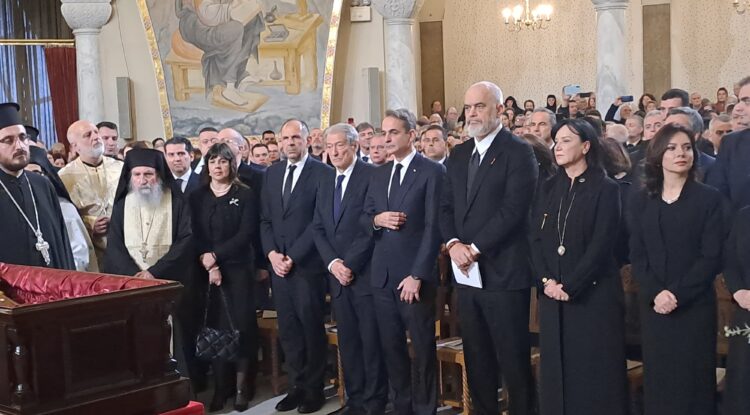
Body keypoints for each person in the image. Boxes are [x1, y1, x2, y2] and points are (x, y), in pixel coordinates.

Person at [440, 82, 537, 415]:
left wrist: (475, 247)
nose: (472, 114)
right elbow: (445, 207)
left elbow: (514, 210)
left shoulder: (518, 151)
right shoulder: (459, 154)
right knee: (477, 357)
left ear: (499, 109)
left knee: (512, 360)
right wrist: (454, 244)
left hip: (504, 271)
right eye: (468, 107)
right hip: (466, 274)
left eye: (479, 106)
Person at [530, 118, 628, 415]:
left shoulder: (606, 188)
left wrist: (570, 286)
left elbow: (602, 244)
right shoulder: (548, 187)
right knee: (557, 373)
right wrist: (547, 281)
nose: (557, 147)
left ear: (586, 146)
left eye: (566, 141)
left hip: (591, 296)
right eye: (556, 142)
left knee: (591, 374)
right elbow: (534, 238)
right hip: (552, 295)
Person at [628, 124, 725, 415]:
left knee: (693, 382)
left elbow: (711, 257)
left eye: (686, 147)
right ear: (658, 155)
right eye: (671, 148)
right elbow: (638, 255)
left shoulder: (709, 198)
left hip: (693, 306)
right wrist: (657, 293)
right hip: (654, 306)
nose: (681, 153)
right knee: (661, 381)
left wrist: (676, 294)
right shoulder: (642, 199)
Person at [364, 108, 444, 415]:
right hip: (382, 276)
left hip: (413, 277)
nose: (387, 138)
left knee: (422, 350)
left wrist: (418, 274)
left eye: (393, 132)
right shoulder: (378, 172)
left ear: (411, 135)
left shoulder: (431, 171)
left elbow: (434, 228)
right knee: (392, 348)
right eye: (384, 133)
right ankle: (402, 407)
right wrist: (377, 220)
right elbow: (364, 218)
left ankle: (424, 409)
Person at [312, 123, 387, 415]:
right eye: (329, 146)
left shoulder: (371, 175)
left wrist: (349, 264)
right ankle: (354, 401)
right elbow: (318, 227)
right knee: (349, 343)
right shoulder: (326, 180)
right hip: (337, 277)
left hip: (364, 274)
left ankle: (374, 403)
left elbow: (370, 226)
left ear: (354, 146)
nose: (334, 151)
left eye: (339, 145)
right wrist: (333, 264)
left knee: (371, 343)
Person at [260, 119, 332, 413]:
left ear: (306, 140)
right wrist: (272, 255)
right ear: (279, 142)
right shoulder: (272, 173)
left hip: (307, 266)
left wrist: (293, 257)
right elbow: (265, 219)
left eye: (296, 138)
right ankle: (295, 387)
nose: (290, 143)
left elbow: (319, 221)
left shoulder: (323, 173)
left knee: (311, 329)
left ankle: (314, 390)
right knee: (288, 330)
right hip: (278, 267)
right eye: (285, 138)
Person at [189, 143, 259, 412]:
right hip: (206, 270)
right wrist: (209, 263)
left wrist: (216, 256)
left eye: (223, 161)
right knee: (215, 328)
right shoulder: (197, 196)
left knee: (241, 327)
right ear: (207, 166)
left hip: (238, 269)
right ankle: (221, 387)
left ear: (232, 164)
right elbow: (194, 233)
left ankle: (242, 388)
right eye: (213, 161)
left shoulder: (245, 194)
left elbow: (246, 233)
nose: (218, 166)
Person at [0, 103, 75, 270]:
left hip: (51, 282)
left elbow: (62, 242)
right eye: (8, 140)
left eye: (22, 137)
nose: (19, 146)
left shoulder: (43, 184)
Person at [59, 120, 124, 270]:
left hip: (122, 242)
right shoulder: (64, 176)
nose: (96, 137)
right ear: (75, 146)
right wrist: (91, 224)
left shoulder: (120, 168)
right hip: (89, 249)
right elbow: (64, 217)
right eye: (87, 135)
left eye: (96, 132)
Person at [26, 146, 96, 272]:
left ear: (47, 176)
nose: (31, 181)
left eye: (36, 173)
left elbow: (79, 253)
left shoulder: (64, 208)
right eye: (25, 175)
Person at [708, 76, 750, 211]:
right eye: (740, 101)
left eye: (747, 101)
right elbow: (719, 194)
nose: (738, 108)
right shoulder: (730, 143)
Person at [723, 205, 750, 415]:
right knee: (742, 382)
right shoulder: (744, 216)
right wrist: (739, 291)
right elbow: (729, 259)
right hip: (746, 308)